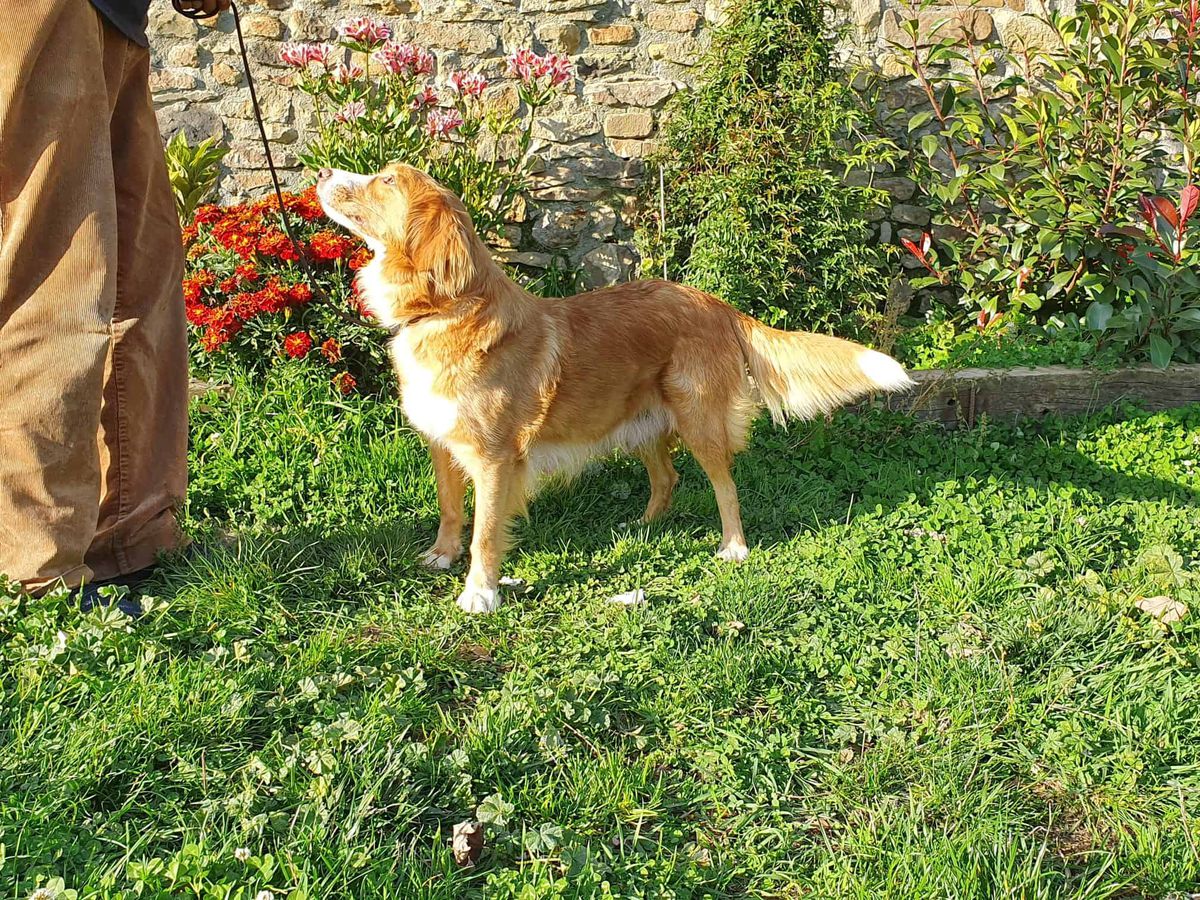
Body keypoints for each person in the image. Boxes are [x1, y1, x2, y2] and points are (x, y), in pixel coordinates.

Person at [0, 0, 230, 606]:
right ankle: (38, 567)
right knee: (57, 275)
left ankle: (132, 536)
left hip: (113, 17)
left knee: (140, 272)